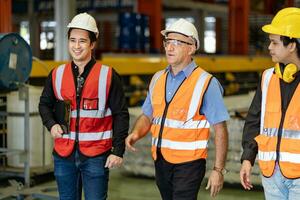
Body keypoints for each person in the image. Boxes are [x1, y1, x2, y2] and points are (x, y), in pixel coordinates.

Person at [126, 18, 229, 199]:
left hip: (190, 164)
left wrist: (218, 170)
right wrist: (136, 133)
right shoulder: (158, 78)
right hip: (161, 161)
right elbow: (147, 115)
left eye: (177, 43)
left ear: (191, 48)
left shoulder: (206, 83)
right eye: (167, 42)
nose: (169, 48)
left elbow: (220, 129)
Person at [39, 12, 129, 200]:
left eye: (82, 41)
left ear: (92, 44)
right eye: (73, 40)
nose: (76, 46)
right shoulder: (57, 74)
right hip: (64, 154)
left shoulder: (108, 76)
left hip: (97, 155)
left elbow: (121, 114)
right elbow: (44, 104)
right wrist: (51, 124)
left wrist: (118, 151)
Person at [240, 7, 300, 200]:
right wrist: (248, 158)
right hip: (272, 175)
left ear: (291, 45)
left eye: (274, 42)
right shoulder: (267, 78)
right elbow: (253, 121)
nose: (269, 47)